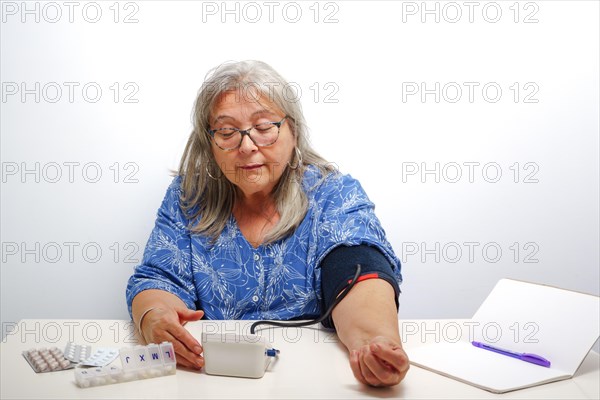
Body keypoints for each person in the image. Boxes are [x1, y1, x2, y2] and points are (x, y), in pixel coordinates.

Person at [126, 60, 409, 387]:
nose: (247, 146)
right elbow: (158, 279)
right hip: (212, 379)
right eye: (227, 132)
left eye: (264, 127)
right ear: (210, 142)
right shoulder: (188, 197)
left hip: (311, 381)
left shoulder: (332, 194)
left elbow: (358, 271)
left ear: (294, 132)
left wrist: (372, 341)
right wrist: (154, 317)